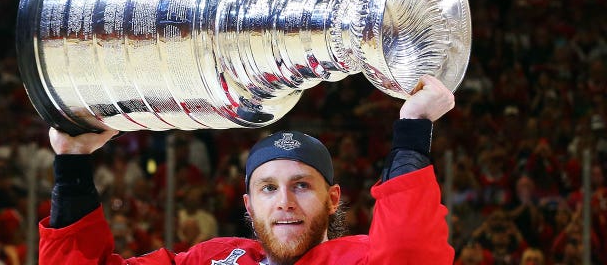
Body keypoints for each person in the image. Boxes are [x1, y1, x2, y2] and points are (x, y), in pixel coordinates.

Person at [39, 75, 456, 264]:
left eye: (302, 186)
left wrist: (413, 128)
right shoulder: (216, 258)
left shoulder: (360, 258)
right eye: (268, 189)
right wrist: (71, 163)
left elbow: (410, 253)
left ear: (332, 199)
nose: (285, 203)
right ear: (248, 204)